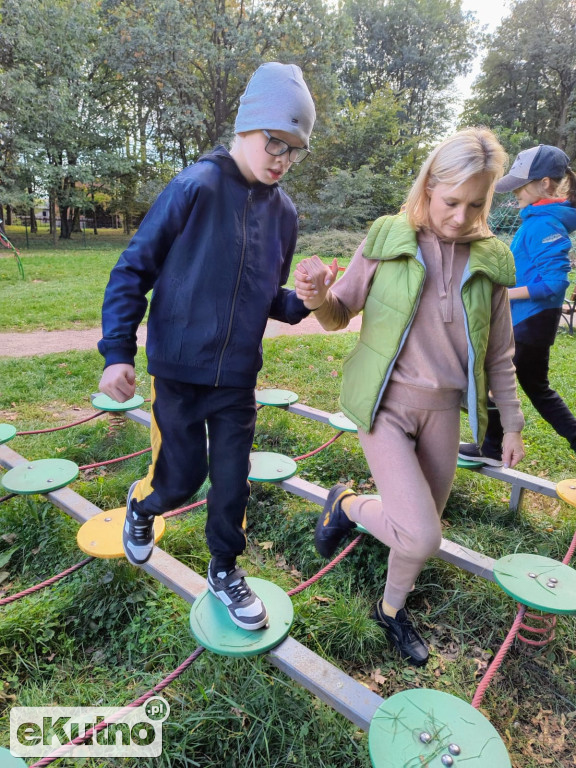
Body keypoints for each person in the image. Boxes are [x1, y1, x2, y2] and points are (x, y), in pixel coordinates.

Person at [294, 128, 525, 666]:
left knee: (415, 533)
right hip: (386, 407)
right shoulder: (387, 237)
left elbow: (499, 355)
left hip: (444, 412)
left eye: (476, 204)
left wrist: (511, 422)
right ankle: (347, 505)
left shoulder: (491, 260)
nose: (461, 217)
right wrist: (318, 296)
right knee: (422, 536)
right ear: (427, 187)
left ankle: (391, 610)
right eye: (450, 202)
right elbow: (337, 315)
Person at [97, 62, 316, 631]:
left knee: (232, 481)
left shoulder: (285, 215)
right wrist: (118, 351)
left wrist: (310, 299)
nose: (281, 158)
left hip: (238, 379)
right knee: (181, 477)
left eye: (294, 150)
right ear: (245, 128)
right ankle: (143, 508)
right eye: (274, 141)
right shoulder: (195, 186)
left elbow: (272, 298)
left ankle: (225, 569)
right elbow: (131, 270)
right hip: (178, 373)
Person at [458, 144, 576, 465]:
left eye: (520, 187)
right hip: (527, 320)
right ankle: (491, 445)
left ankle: (492, 445)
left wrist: (506, 295)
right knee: (534, 387)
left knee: (488, 376)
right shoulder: (540, 218)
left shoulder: (545, 223)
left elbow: (555, 283)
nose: (516, 195)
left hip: (531, 323)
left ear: (545, 185)